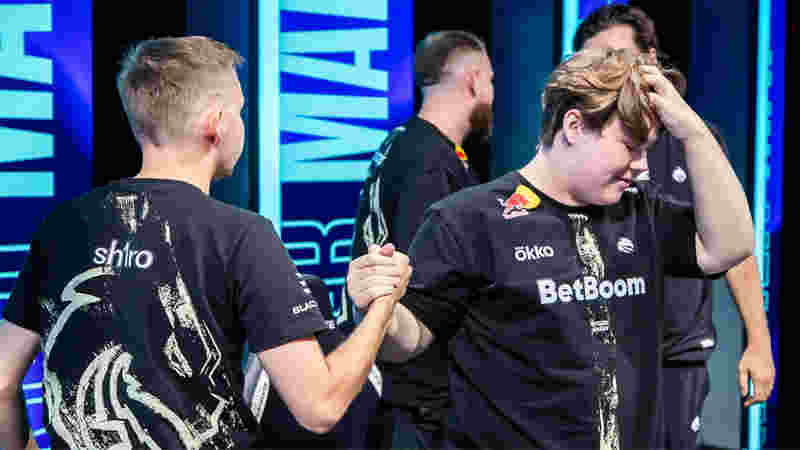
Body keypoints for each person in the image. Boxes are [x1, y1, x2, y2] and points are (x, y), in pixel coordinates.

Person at [0, 36, 410, 450]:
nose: (242, 124)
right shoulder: (241, 234)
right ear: (217, 123)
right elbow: (320, 406)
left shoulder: (62, 226)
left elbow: (2, 381)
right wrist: (382, 306)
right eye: (240, 111)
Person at [347, 47, 755, 449]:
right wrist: (380, 311)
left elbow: (731, 245)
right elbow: (411, 338)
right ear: (574, 126)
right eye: (631, 146)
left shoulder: (641, 211)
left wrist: (693, 131)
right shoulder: (468, 220)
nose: (643, 166)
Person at [573, 5, 775, 448]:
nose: (607, 70)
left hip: (676, 360)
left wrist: (759, 341)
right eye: (595, 61)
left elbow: (733, 248)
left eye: (617, 56)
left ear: (649, 58)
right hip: (601, 357)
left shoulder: (696, 143)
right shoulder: (579, 144)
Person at [345, 30, 493, 449]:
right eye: (491, 80)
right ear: (473, 80)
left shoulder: (403, 143)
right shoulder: (430, 163)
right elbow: (424, 284)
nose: (493, 92)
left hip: (404, 388)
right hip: (417, 400)